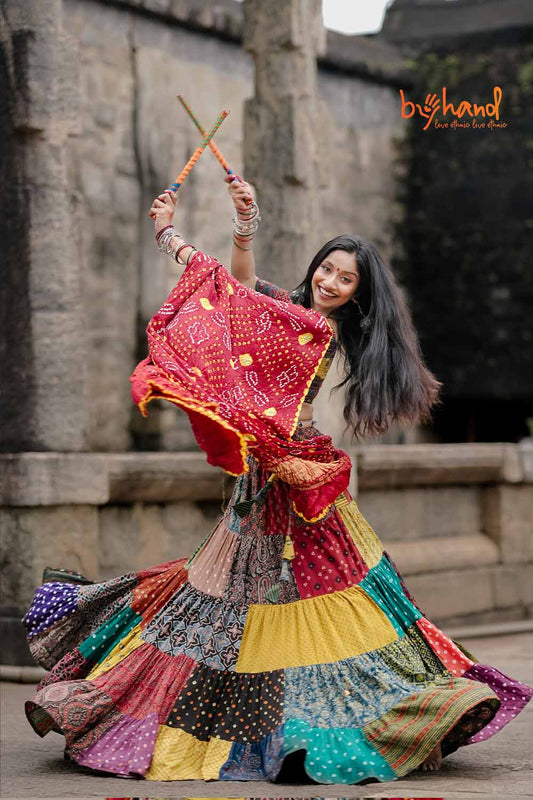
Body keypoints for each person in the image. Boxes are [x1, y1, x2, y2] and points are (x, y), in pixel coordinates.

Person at [22, 179, 532, 785]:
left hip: (300, 477)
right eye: (327, 269)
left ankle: (344, 720)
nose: (330, 282)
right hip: (264, 473)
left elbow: (232, 293)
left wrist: (173, 236)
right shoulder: (287, 310)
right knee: (228, 596)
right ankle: (257, 724)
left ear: (358, 294)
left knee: (327, 595)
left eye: (346, 279)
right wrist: (238, 225)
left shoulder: (321, 331)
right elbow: (238, 288)